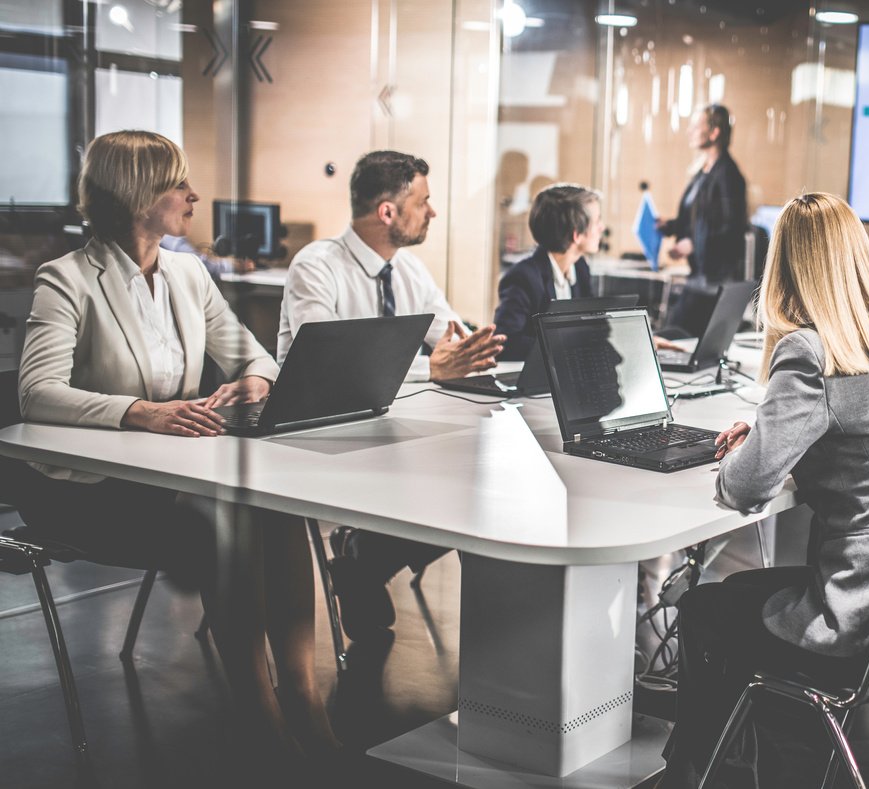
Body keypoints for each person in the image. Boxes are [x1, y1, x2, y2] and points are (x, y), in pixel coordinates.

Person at [13, 130, 337, 760]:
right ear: (138, 196)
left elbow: (257, 358)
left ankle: (302, 694)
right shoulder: (68, 279)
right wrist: (141, 413)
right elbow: (36, 394)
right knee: (232, 521)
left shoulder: (187, 271)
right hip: (91, 492)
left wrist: (249, 381)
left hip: (175, 473)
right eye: (178, 184)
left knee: (279, 505)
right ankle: (258, 710)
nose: (193, 195)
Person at [658, 193, 869, 788]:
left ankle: (696, 769)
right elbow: (866, 440)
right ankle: (727, 757)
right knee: (740, 595)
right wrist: (779, 433)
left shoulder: (809, 351)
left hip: (857, 610)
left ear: (786, 266)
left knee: (704, 606)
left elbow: (744, 489)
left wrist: (751, 448)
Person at [278, 150, 505, 642]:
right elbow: (334, 371)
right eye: (423, 202)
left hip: (392, 429)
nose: (433, 212)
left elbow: (450, 338)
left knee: (483, 483)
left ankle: (367, 557)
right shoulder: (316, 266)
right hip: (324, 437)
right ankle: (366, 555)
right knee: (458, 483)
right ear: (387, 212)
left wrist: (471, 350)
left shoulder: (408, 271)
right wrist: (434, 370)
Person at [493, 184, 600, 361]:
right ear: (577, 235)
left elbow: (592, 326)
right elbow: (507, 343)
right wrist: (568, 347)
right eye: (597, 222)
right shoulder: (523, 276)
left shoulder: (580, 268)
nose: (601, 228)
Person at [657, 104, 749, 286]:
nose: (689, 131)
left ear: (714, 133)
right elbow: (699, 220)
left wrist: (692, 244)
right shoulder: (704, 170)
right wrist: (670, 226)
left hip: (716, 279)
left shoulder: (728, 174)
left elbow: (732, 230)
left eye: (696, 126)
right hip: (700, 273)